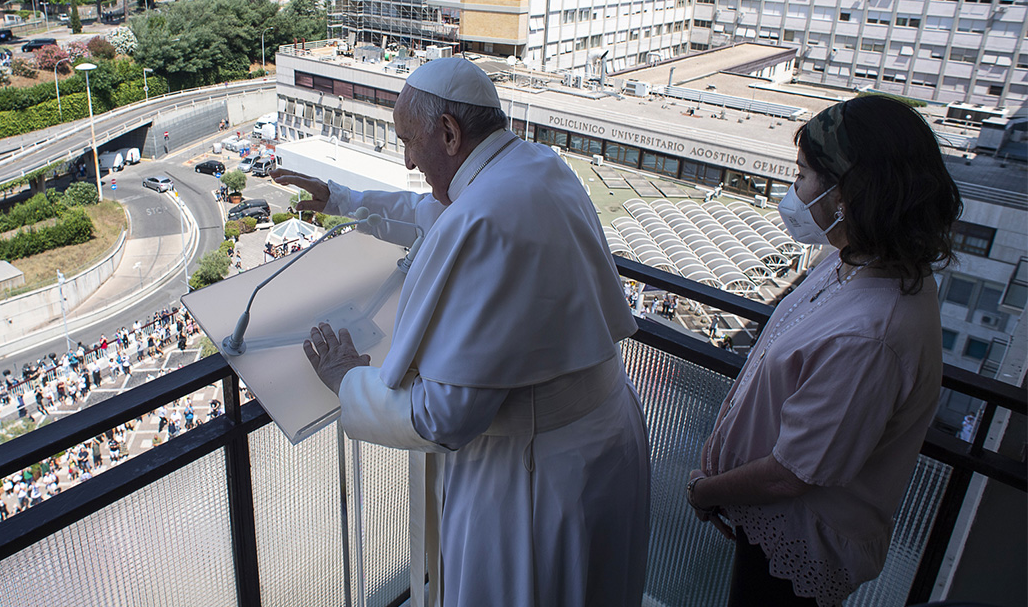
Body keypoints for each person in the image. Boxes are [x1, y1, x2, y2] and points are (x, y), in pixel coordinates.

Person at [273, 57, 650, 607]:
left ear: (448, 133)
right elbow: (434, 211)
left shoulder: (485, 217)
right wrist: (342, 199)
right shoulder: (534, 167)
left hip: (535, 479)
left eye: (408, 141)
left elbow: (444, 415)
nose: (405, 160)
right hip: (602, 440)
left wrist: (351, 379)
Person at [686, 95, 962, 607]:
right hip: (766, 523)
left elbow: (794, 473)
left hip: (799, 543)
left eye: (805, 174)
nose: (795, 190)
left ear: (847, 195)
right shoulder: (852, 262)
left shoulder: (870, 336)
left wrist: (706, 491)